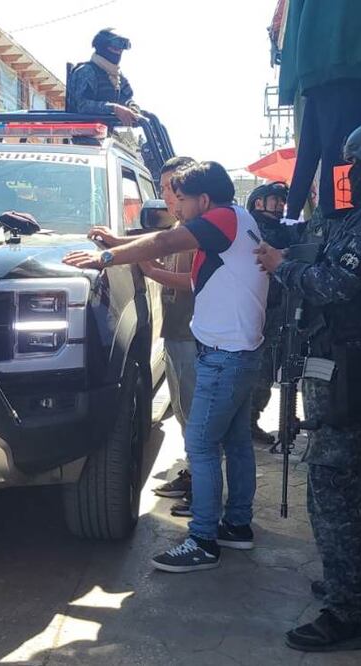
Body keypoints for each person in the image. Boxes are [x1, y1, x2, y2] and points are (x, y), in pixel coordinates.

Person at [255, 121, 361, 652]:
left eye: (360, 167)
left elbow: (333, 282)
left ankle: (347, 611)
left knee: (332, 478)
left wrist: (283, 268)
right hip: (354, 357)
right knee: (359, 472)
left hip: (353, 362)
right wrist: (279, 234)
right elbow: (325, 238)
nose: (353, 175)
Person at [64, 161, 268, 573]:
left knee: (201, 446)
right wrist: (123, 244)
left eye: (183, 199)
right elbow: (183, 261)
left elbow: (164, 242)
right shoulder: (238, 221)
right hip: (241, 353)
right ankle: (237, 526)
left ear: (204, 200)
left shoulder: (221, 219)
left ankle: (203, 540)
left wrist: (105, 256)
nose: (178, 207)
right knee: (234, 443)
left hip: (225, 356)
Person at [145, 156, 197, 512]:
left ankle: (202, 494)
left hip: (192, 335)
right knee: (183, 412)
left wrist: (151, 269)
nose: (166, 195)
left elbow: (194, 283)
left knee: (196, 416)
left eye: (171, 188)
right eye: (163, 188)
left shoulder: (198, 228)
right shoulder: (182, 227)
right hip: (177, 332)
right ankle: (194, 476)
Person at [245, 181, 301, 449]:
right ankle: (246, 421)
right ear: (259, 203)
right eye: (275, 199)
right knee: (260, 369)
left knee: (273, 369)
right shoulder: (252, 228)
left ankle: (253, 420)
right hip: (258, 309)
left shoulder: (282, 230)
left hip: (280, 309)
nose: (280, 204)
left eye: (282, 200)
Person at [66, 28, 142, 126]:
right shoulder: (86, 71)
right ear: (102, 47)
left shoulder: (117, 76)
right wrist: (114, 108)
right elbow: (82, 105)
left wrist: (132, 107)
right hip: (83, 135)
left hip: (106, 134)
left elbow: (126, 98)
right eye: (114, 49)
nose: (118, 53)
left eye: (120, 50)